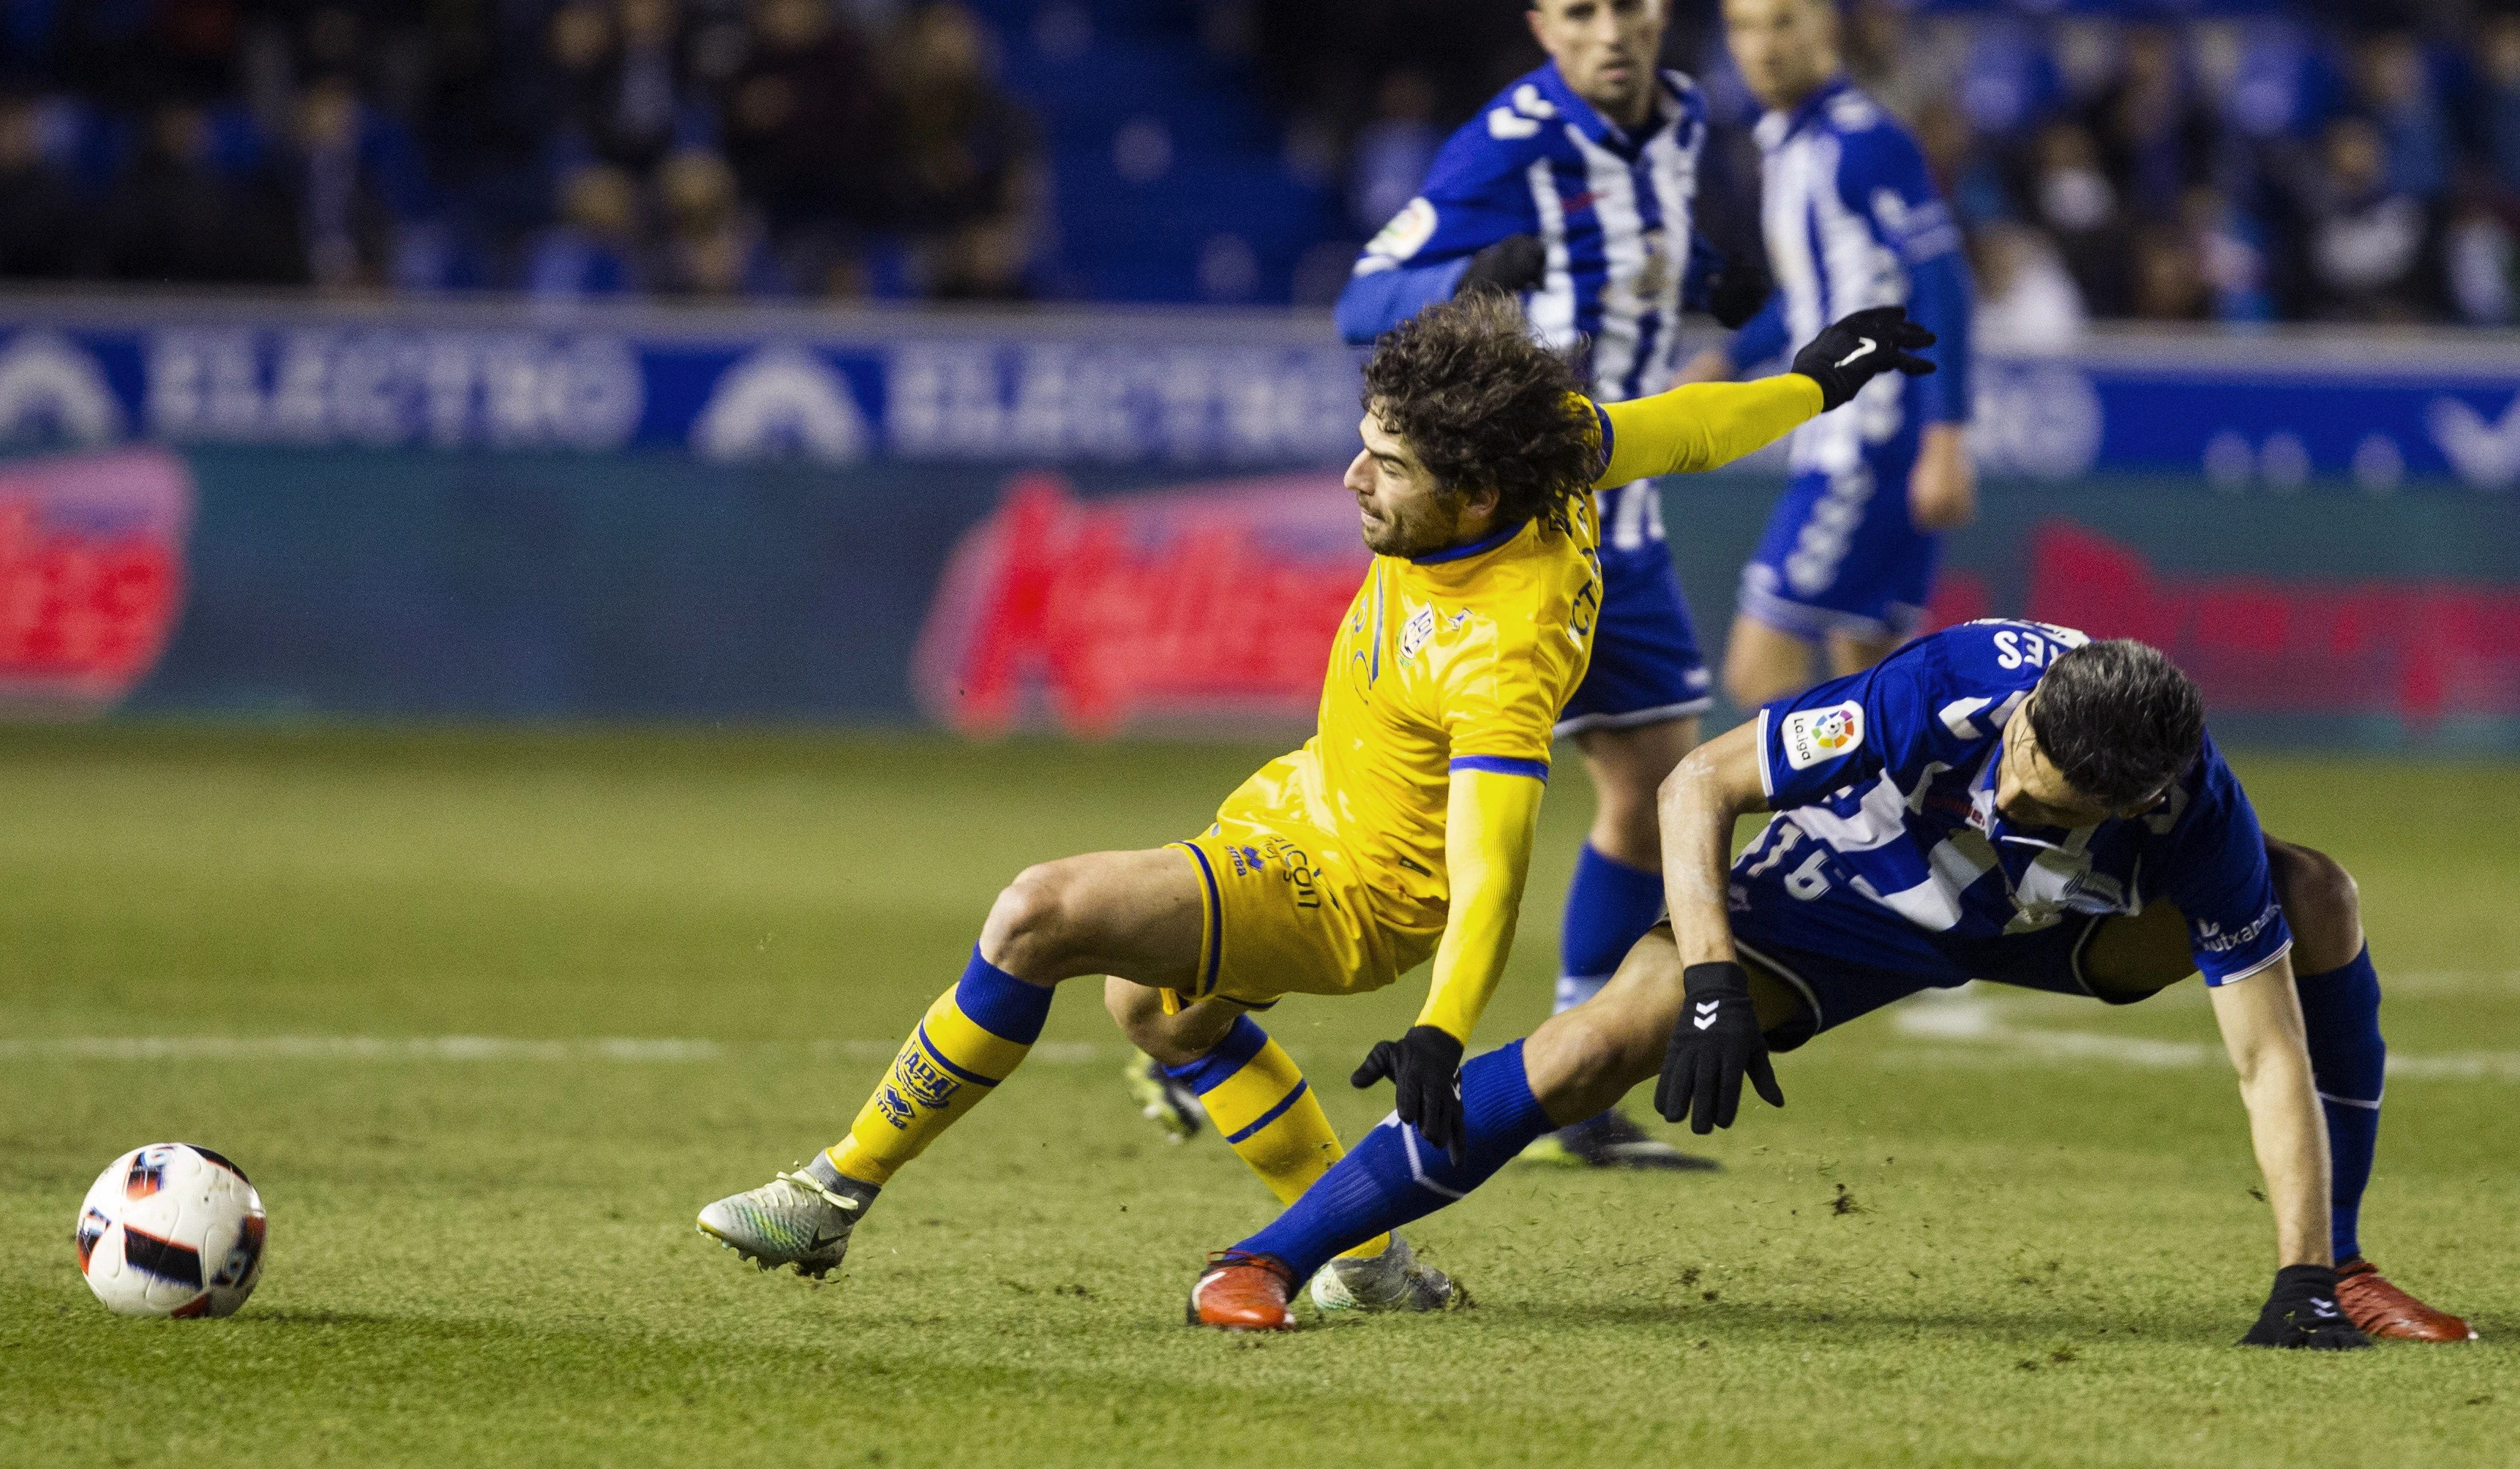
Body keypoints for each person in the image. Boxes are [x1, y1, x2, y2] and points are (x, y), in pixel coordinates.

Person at [694, 293, 1932, 1312]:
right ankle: (1365, 1257)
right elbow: (1691, 428)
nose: (1349, 478)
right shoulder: (1544, 448)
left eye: (1385, 465)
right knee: (1158, 1017)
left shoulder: (1498, 652)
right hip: (1299, 800)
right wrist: (1817, 382)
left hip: (1351, 889)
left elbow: (1493, 868)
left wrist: (1444, 1027)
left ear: (1475, 497)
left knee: (1037, 913)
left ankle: (829, 1193)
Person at [1188, 623, 2475, 1345]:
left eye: (2045, 795)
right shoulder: (1943, 690)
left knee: (2314, 896)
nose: (2009, 783)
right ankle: (1263, 1258)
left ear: (2139, 798)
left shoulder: (2197, 814)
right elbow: (1695, 782)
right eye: (2018, 754)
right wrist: (1703, 982)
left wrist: (2291, 1269)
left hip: (2055, 927)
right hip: (1846, 900)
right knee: (1599, 1040)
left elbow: (2262, 1054)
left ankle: (2338, 1272)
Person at [1316, 0, 1774, 1171]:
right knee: (1420, 823)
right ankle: (1198, 1002)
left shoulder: (1679, 118)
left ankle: (1580, 1069)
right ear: (1540, 24)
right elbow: (1362, 299)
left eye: (1630, 7)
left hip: (1621, 515)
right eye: (1580, 11)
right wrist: (1472, 270)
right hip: (1516, 533)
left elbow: (1644, 265)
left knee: (1656, 782)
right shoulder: (1506, 142)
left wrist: (1715, 284)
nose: (1611, 31)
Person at [1678, 0, 1976, 710]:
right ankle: (1906, 820)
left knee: (1758, 673)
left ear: (1825, 30)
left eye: (1782, 22)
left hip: (1866, 444)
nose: (1762, 46)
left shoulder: (1863, 141)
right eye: (1744, 28)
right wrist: (1729, 359)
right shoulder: (1789, 144)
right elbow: (1821, 296)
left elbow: (1940, 282)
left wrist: (1945, 440)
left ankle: (1829, 824)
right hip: (1851, 442)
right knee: (1874, 685)